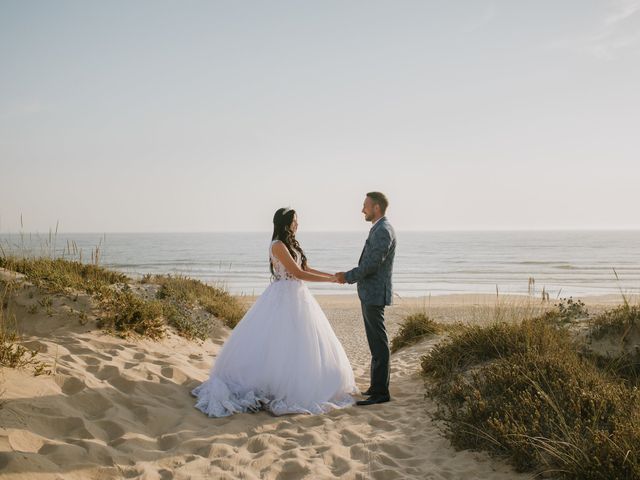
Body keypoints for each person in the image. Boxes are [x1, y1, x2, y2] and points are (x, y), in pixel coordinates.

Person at [192, 207, 356, 417]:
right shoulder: (277, 245)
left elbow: (307, 268)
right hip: (284, 295)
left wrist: (334, 276)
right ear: (285, 223)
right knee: (278, 340)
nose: (298, 224)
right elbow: (298, 273)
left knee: (300, 341)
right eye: (295, 220)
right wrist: (330, 280)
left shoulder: (290, 244)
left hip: (298, 295)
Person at [336, 192, 396, 406]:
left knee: (378, 343)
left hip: (374, 293)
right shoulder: (379, 228)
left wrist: (348, 276)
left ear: (376, 207)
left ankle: (381, 392)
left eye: (365, 206)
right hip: (371, 292)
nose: (362, 209)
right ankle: (376, 386)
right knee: (374, 342)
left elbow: (372, 264)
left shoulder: (383, 230)